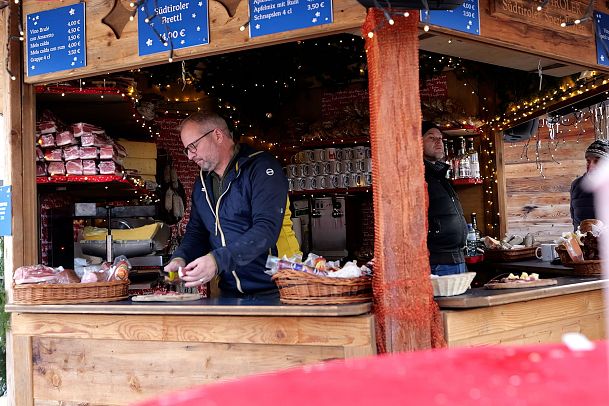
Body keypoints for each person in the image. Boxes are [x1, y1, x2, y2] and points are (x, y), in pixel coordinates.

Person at [163, 112, 301, 298]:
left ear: (217, 135)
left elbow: (266, 229)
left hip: (279, 287)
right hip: (231, 293)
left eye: (193, 147)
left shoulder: (261, 167)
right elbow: (197, 231)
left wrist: (217, 261)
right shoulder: (202, 182)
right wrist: (181, 257)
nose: (189, 156)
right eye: (186, 149)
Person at [422, 121, 468, 276]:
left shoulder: (439, 175)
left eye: (440, 138)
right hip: (438, 261)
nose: (438, 142)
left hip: (457, 257)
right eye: (431, 138)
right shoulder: (417, 175)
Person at [570, 139, 609, 230]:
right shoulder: (577, 185)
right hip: (582, 241)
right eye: (588, 161)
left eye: (597, 161)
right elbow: (574, 220)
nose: (590, 166)